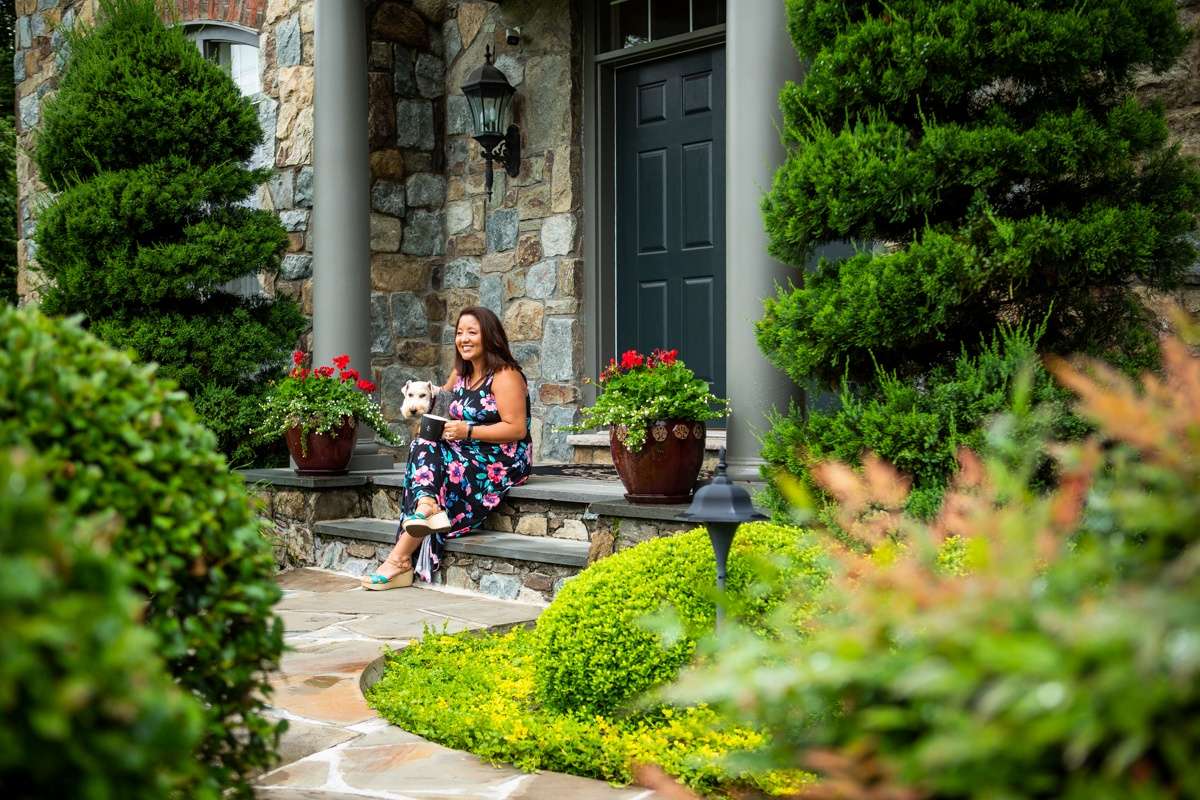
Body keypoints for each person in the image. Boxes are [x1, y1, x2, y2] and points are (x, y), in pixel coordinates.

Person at [362, 306, 533, 589]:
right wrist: (415, 400)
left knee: (432, 459)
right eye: (459, 333)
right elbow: (441, 397)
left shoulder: (505, 375)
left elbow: (516, 429)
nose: (463, 338)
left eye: (472, 332)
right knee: (424, 445)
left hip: (504, 456)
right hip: (467, 448)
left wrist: (467, 430)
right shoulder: (461, 372)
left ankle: (400, 557)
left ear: (490, 336)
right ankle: (426, 507)